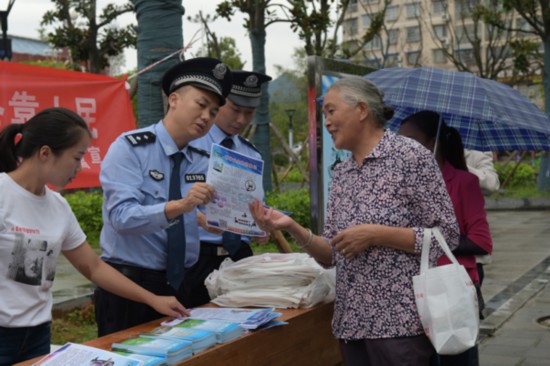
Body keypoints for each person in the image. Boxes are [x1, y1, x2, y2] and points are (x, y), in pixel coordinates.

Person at [248, 76, 459, 366]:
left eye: (331, 111)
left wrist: (376, 234)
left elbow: (447, 237)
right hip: (352, 326)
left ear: (361, 110)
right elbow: (332, 254)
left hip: (401, 328)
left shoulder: (411, 158)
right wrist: (291, 227)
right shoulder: (343, 174)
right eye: (324, 115)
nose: (326, 122)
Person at [0, 107, 187, 366]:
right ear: (45, 153)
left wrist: (152, 299)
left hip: (37, 334)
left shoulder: (57, 206)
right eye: (76, 157)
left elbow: (94, 266)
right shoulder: (3, 194)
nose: (80, 167)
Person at [94, 57, 233, 337]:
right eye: (201, 104)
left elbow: (190, 216)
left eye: (214, 111)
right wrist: (182, 205)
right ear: (174, 100)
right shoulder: (130, 149)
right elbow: (121, 218)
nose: (207, 116)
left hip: (181, 284)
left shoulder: (202, 159)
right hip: (129, 288)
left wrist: (212, 221)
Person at [399, 110, 493, 366]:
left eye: (411, 141)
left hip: (453, 282)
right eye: (400, 142)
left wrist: (425, 240)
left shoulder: (464, 182)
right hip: (414, 282)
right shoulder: (403, 184)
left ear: (433, 143)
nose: (403, 149)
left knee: (457, 356)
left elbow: (482, 242)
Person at [180, 70, 272, 308]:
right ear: (219, 103)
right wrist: (197, 217)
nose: (241, 119)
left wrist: (262, 226)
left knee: (246, 329)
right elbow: (169, 200)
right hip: (197, 258)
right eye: (234, 109)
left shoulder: (250, 153)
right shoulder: (188, 144)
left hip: (239, 255)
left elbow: (253, 203)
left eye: (249, 113)